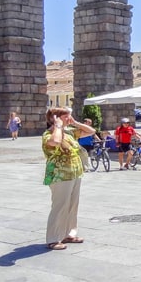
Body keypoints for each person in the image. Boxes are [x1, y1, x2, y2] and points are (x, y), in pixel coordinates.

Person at [42, 106, 89, 250]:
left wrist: (74, 122)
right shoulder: (48, 134)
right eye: (66, 116)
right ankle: (53, 239)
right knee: (60, 206)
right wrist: (57, 125)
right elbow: (55, 142)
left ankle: (69, 234)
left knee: (72, 206)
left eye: (70, 116)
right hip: (60, 176)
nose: (69, 118)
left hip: (75, 173)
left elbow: (91, 131)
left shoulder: (69, 133)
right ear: (55, 118)